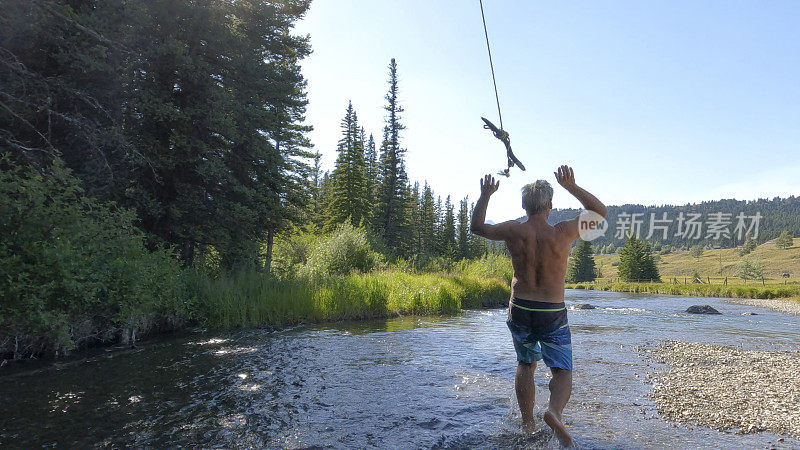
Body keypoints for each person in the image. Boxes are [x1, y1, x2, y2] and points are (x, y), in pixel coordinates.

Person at [470, 165, 607, 447]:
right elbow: (600, 212)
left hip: (520, 308)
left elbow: (477, 227)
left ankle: (527, 423)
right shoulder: (564, 231)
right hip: (551, 312)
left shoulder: (512, 230)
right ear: (550, 205)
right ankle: (554, 412)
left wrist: (485, 195)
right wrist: (572, 186)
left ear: (524, 205)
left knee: (526, 364)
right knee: (562, 370)